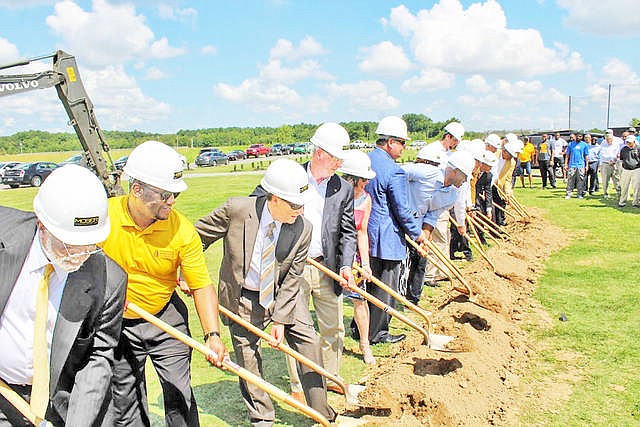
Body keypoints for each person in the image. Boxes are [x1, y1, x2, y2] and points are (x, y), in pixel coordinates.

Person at [194, 159, 336, 425]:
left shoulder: (303, 228)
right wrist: (186, 271)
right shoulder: (236, 210)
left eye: (302, 204)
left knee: (310, 343)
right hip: (242, 297)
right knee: (248, 357)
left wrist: (281, 319)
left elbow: (293, 277)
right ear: (274, 198)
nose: (300, 210)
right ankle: (262, 419)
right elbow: (195, 237)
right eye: (294, 205)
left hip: (283, 294)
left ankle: (321, 413)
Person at [100, 141, 226, 427]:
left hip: (164, 313)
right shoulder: (104, 217)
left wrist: (213, 335)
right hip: (116, 321)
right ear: (136, 190)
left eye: (175, 195)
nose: (172, 201)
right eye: (165, 194)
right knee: (126, 399)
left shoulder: (182, 230)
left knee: (179, 391)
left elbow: (201, 285)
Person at [0, 165, 127, 426]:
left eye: (90, 245)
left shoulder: (110, 279)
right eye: (69, 245)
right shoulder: (4, 236)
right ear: (42, 223)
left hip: (60, 402)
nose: (80, 255)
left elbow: (98, 357)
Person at [283, 122, 357, 397]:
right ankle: (298, 386)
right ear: (319, 153)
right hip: (295, 267)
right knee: (296, 328)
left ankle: (330, 377)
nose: (339, 163)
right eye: (336, 158)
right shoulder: (292, 178)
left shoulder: (343, 188)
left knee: (333, 327)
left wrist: (346, 265)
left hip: (327, 267)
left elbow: (348, 233)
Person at [366, 116, 427, 344]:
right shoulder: (394, 171)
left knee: (369, 283)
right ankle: (377, 332)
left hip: (367, 233)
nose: (404, 148)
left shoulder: (366, 161)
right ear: (390, 142)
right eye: (402, 142)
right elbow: (402, 209)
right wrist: (417, 232)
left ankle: (360, 326)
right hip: (387, 237)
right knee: (386, 287)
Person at [338, 150, 377, 365]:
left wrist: (366, 263)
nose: (364, 185)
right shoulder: (334, 197)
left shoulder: (365, 199)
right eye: (361, 181)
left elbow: (361, 232)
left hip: (355, 258)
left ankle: (365, 345)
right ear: (350, 179)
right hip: (334, 256)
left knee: (360, 301)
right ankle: (336, 343)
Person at [422, 122, 464, 284]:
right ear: (448, 137)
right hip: (433, 202)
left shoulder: (447, 154)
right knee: (436, 238)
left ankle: (442, 271)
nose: (455, 145)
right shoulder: (432, 151)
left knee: (444, 237)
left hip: (442, 201)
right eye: (454, 141)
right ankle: (431, 274)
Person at [402, 144, 444, 303]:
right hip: (407, 221)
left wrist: (427, 233)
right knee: (406, 261)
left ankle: (413, 296)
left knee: (421, 259)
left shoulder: (435, 180)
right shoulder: (412, 172)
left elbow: (432, 209)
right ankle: (404, 293)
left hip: (421, 222)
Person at [492, 136, 522, 225]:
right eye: (510, 155)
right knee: (489, 206)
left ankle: (499, 224)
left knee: (500, 203)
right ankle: (493, 225)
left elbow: (508, 179)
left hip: (498, 185)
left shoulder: (512, 162)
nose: (511, 158)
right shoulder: (495, 154)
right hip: (487, 183)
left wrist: (508, 192)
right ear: (504, 151)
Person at [564, 133, 589, 199]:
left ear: (582, 137)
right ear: (575, 137)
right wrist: (566, 164)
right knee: (570, 180)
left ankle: (579, 194)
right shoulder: (570, 144)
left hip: (581, 165)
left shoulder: (584, 145)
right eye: (577, 136)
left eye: (580, 136)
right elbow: (567, 155)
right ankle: (568, 194)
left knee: (580, 180)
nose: (578, 137)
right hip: (572, 165)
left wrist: (587, 165)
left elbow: (586, 156)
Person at [618, 135, 640, 208]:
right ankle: (622, 202)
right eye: (627, 142)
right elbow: (621, 159)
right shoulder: (623, 149)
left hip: (636, 169)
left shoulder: (638, 148)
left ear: (634, 141)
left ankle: (635, 203)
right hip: (626, 169)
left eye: (630, 142)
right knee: (624, 186)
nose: (628, 143)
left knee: (636, 187)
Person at [599, 129, 622, 199]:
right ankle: (606, 193)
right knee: (605, 180)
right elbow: (601, 153)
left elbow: (619, 152)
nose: (608, 139)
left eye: (609, 137)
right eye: (606, 137)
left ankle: (619, 194)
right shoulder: (603, 142)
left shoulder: (618, 141)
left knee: (617, 180)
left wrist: (613, 160)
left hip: (615, 163)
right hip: (605, 164)